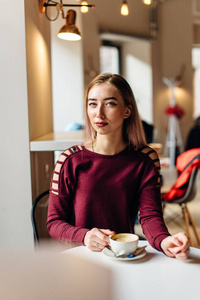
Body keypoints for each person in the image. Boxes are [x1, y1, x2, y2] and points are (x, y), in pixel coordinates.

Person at [47, 73, 190, 259]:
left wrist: (164, 241)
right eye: (92, 104)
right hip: (79, 258)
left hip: (121, 256)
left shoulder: (145, 160)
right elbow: (54, 222)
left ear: (127, 111)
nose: (99, 113)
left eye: (110, 103)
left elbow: (150, 216)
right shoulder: (69, 160)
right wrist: (85, 236)